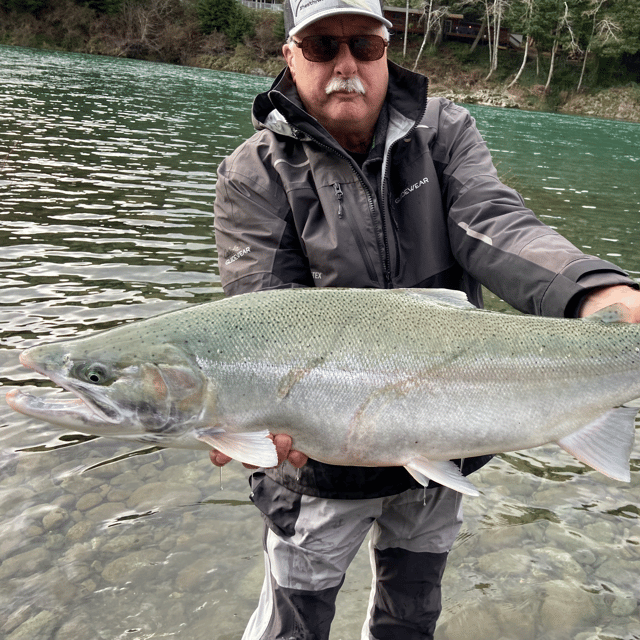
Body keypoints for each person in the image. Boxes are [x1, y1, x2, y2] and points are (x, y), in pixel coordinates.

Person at [211, 0, 640, 637]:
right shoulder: (255, 172)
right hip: (319, 469)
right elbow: (264, 314)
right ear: (290, 57)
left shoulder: (444, 132)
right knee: (294, 621)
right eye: (323, 47)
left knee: (410, 617)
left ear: (389, 48)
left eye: (365, 45)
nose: (346, 65)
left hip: (444, 444)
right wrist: (248, 418)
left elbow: (491, 224)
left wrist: (595, 293)